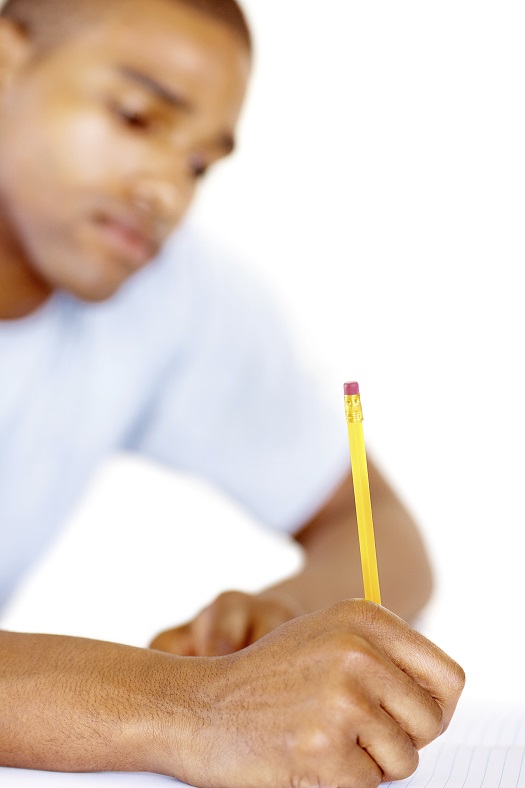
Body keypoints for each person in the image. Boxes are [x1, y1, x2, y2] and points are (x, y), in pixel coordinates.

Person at [0, 0, 465, 785]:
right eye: (138, 117)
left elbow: (371, 518)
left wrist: (284, 622)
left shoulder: (167, 290)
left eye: (200, 164)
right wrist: (199, 708)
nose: (167, 194)